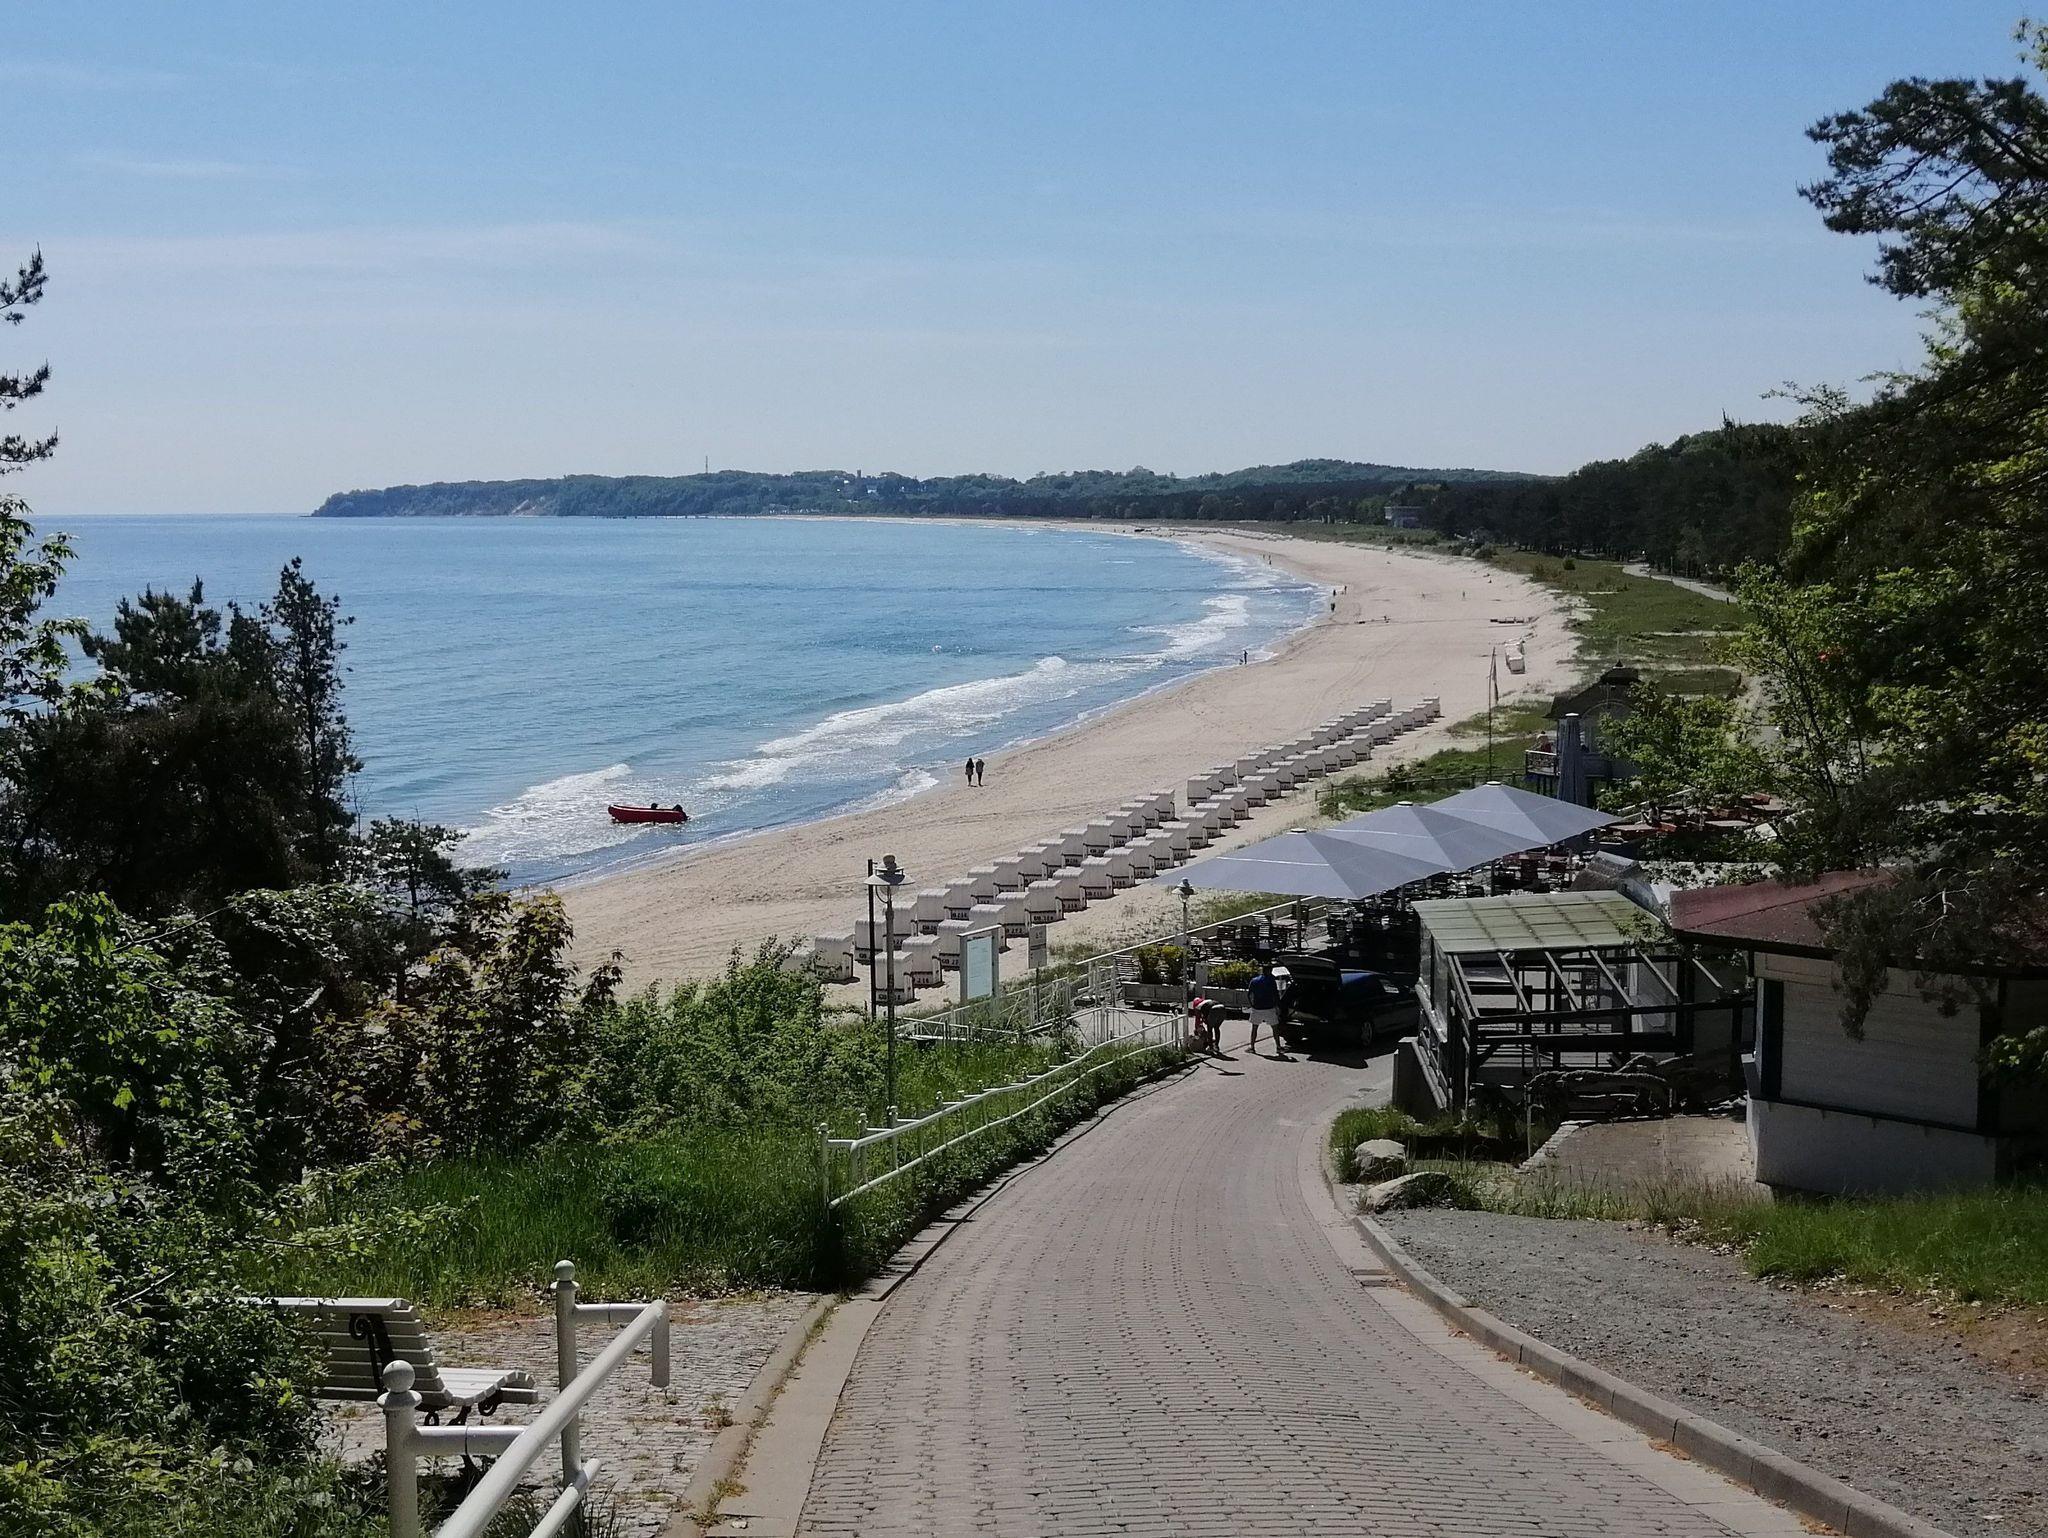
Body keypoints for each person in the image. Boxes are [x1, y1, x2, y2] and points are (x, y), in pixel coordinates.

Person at [1247, 962, 1281, 1053]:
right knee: (1275, 1028)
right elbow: (1276, 995)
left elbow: (1249, 994)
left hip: (1257, 1008)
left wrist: (1252, 1005)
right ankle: (1278, 1047)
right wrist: (1277, 1006)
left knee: (1254, 1028)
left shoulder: (1254, 980)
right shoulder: (1271, 981)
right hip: (1269, 1008)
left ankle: (1252, 1047)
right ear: (1270, 971)